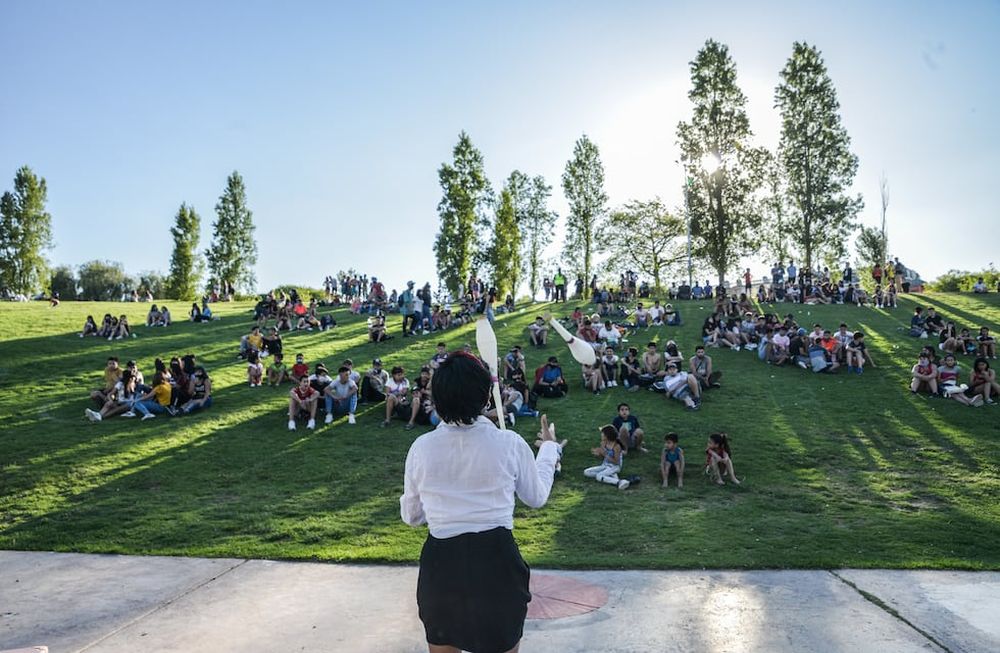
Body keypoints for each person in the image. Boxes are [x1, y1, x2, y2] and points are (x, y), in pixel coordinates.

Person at [400, 352, 563, 653]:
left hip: (442, 564)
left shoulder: (421, 448)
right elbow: (536, 497)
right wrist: (550, 449)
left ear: (437, 397)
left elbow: (412, 516)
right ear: (487, 396)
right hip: (496, 563)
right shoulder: (509, 443)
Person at [585, 424, 630, 490]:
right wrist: (598, 454)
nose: (601, 435)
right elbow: (603, 457)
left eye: (602, 433)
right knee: (587, 472)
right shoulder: (603, 443)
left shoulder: (616, 446)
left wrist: (605, 454)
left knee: (599, 476)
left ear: (607, 435)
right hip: (605, 465)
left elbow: (616, 462)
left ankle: (619, 482)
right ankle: (610, 476)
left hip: (614, 467)